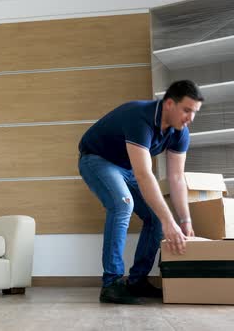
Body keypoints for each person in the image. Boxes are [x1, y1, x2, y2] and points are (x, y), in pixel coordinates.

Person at [78, 80, 204, 304]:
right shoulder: (140, 117)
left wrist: (184, 220)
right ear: (168, 104)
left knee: (156, 217)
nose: (190, 118)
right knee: (122, 204)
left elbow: (176, 178)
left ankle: (137, 281)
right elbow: (145, 174)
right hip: (97, 159)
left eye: (194, 112)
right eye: (186, 110)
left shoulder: (180, 133)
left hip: (126, 167)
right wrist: (169, 222)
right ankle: (111, 283)